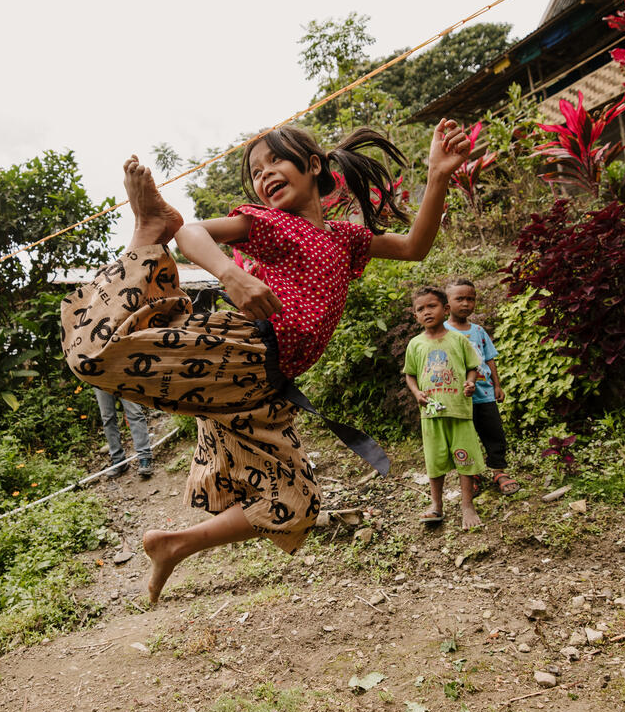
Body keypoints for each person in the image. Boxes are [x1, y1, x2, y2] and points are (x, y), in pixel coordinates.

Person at [61, 119, 470, 603]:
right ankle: (145, 232)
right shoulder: (273, 224)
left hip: (262, 389)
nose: (264, 174)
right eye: (256, 171)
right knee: (92, 355)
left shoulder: (344, 239)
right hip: (240, 351)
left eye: (275, 160)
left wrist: (438, 175)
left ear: (312, 165)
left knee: (295, 506)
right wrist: (230, 274)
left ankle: (174, 545)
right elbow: (191, 232)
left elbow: (414, 247)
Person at [403, 286, 486, 530]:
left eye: (432, 306)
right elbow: (410, 375)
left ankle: (467, 506)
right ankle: (436, 505)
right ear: (415, 315)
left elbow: (473, 367)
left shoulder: (458, 339)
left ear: (445, 309)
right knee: (435, 460)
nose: (427, 312)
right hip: (431, 414)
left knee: (465, 459)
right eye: (421, 309)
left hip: (459, 410)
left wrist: (470, 382)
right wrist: (417, 392)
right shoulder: (415, 344)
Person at [444, 278, 519, 496]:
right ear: (447, 304)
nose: (466, 303)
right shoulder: (443, 332)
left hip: (484, 394)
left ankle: (498, 470)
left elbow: (489, 359)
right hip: (458, 398)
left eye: (471, 299)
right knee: (465, 438)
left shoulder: (478, 331)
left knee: (494, 433)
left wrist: (497, 385)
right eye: (460, 299)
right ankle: (472, 474)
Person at [93, 387, 153, 478]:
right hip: (99, 378)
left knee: (134, 412)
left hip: (123, 375)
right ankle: (118, 461)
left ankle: (145, 457)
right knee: (107, 418)